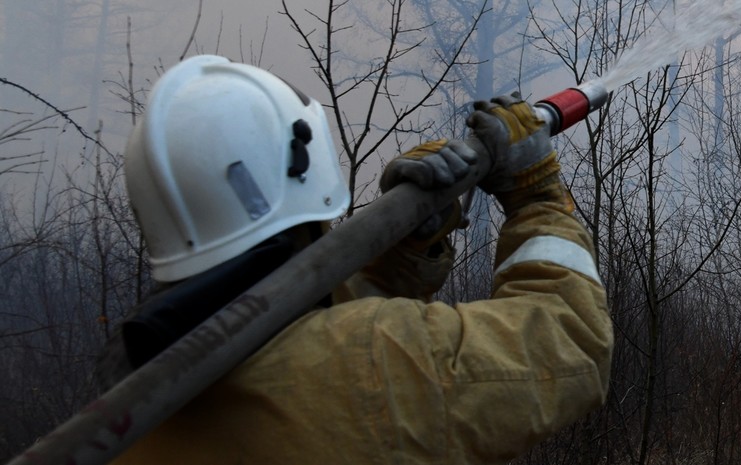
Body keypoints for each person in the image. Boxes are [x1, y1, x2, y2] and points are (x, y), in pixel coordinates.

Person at [103, 55, 613, 465]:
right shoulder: (375, 359)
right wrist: (536, 196)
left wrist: (403, 251)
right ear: (306, 167)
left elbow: (303, 332)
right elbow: (570, 339)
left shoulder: (131, 395)